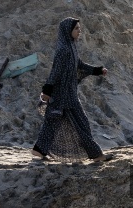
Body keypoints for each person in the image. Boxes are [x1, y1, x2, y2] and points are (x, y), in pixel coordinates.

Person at [32, 18, 110, 162]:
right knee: (81, 123)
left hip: (69, 92)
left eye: (79, 28)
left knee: (52, 123)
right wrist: (47, 91)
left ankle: (39, 150)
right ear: (68, 31)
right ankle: (96, 155)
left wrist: (97, 70)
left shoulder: (71, 46)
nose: (79, 31)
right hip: (63, 94)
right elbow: (55, 72)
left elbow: (79, 65)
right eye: (76, 29)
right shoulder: (63, 50)